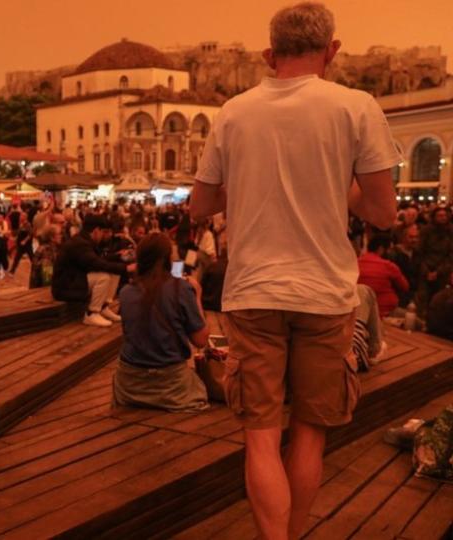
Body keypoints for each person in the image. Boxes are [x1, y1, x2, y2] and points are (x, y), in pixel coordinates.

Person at [189, 4, 399, 539]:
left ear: (268, 55)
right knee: (309, 432)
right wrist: (332, 180)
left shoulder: (233, 112)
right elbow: (381, 213)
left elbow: (198, 207)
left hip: (253, 292)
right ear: (331, 51)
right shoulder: (356, 107)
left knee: (260, 438)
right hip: (326, 294)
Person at [113, 233, 210, 412]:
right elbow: (201, 340)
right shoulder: (180, 288)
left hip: (129, 385)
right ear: (168, 259)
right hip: (172, 387)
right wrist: (196, 295)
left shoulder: (126, 292)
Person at [52, 214, 136, 328]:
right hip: (65, 287)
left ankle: (103, 307)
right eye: (103, 232)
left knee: (114, 273)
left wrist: (117, 256)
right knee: (103, 276)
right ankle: (92, 313)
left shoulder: (83, 240)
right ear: (96, 230)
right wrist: (126, 268)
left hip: (74, 281)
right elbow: (96, 263)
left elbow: (97, 259)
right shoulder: (80, 244)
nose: (103, 236)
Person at [357, 235, 409, 317]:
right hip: (385, 311)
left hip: (359, 309)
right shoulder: (388, 265)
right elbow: (405, 286)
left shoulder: (356, 262)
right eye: (389, 249)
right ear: (381, 249)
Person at [417, 206, 453, 313]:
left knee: (439, 300)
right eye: (440, 216)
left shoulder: (450, 231)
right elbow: (420, 252)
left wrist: (439, 272)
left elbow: (450, 255)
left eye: (444, 216)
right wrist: (426, 271)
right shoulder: (426, 230)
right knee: (423, 298)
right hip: (426, 268)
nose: (443, 218)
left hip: (443, 270)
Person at [386, 223, 419, 307]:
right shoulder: (393, 253)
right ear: (403, 237)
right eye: (411, 237)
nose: (414, 240)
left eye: (416, 237)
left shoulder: (417, 253)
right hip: (397, 292)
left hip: (413, 292)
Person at [30, 224, 62, 288]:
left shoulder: (47, 247)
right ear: (52, 237)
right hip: (40, 291)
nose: (61, 236)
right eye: (59, 234)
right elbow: (47, 277)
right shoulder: (47, 250)